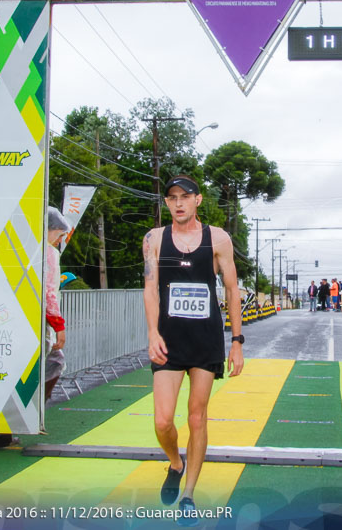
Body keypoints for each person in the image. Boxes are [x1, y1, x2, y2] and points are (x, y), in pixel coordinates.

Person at [143, 175, 243, 523]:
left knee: (197, 416)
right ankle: (175, 461)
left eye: (185, 196)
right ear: (167, 203)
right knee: (162, 420)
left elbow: (232, 291)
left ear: (198, 200)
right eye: (172, 198)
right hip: (169, 341)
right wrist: (153, 332)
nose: (178, 203)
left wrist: (237, 342)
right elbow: (151, 289)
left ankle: (188, 494)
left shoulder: (218, 238)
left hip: (205, 340)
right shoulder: (154, 239)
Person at [0, 206, 67, 449]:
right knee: (52, 362)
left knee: (18, 370)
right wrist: (58, 325)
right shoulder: (49, 255)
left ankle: (6, 428)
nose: (60, 239)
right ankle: (28, 415)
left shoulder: (20, 250)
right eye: (59, 233)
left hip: (13, 319)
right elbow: (49, 294)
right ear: (51, 230)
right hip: (37, 322)